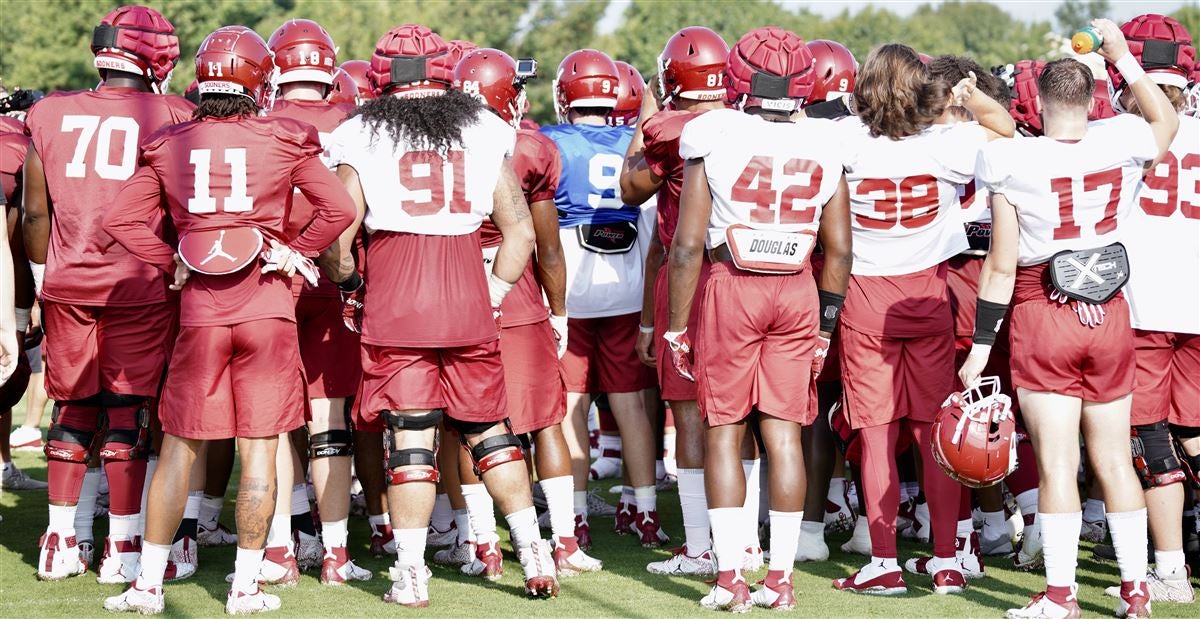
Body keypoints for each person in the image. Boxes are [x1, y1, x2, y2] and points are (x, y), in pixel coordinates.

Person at [101, 25, 355, 614]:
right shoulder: (283, 137)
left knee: (179, 450)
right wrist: (299, 248)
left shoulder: (172, 142)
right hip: (266, 304)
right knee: (260, 450)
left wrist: (173, 260)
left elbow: (122, 220)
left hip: (201, 311)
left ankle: (148, 585)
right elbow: (337, 208)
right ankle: (244, 587)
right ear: (260, 81)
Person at [326, 23, 558, 606]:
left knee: (411, 441)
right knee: (490, 432)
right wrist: (496, 293)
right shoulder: (484, 126)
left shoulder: (358, 132)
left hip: (397, 296)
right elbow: (520, 231)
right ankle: (534, 553)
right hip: (465, 294)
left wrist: (352, 283)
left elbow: (337, 235)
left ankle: (410, 575)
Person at [962, 18, 1179, 619]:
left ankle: (1061, 595)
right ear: (1093, 98)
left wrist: (981, 346)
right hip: (1110, 312)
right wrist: (1121, 57)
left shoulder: (1010, 158)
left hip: (1042, 308)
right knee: (1113, 459)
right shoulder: (1121, 139)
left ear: (1035, 103)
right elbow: (1167, 121)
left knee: (1059, 464)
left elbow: (1001, 267)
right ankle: (1137, 592)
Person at [668, 26, 852, 611]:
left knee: (723, 428)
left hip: (734, 285)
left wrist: (676, 325)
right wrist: (825, 325)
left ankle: (730, 577)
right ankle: (781, 579)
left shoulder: (713, 132)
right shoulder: (827, 141)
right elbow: (841, 250)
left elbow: (687, 244)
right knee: (784, 433)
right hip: (797, 287)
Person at [829, 42, 1014, 596]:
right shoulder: (946, 144)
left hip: (867, 296)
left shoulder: (844, 138)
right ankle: (947, 559)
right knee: (933, 431)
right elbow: (1003, 126)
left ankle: (883, 562)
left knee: (879, 434)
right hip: (930, 295)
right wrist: (968, 93)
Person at [22, 5, 193, 583]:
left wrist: (45, 277)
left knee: (72, 406)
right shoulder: (173, 112)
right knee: (127, 412)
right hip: (140, 283)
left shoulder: (47, 111)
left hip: (68, 280)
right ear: (153, 54)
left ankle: (61, 538)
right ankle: (122, 546)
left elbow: (35, 210)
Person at [540, 48, 663, 548]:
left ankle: (574, 520)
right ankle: (646, 511)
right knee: (631, 402)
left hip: (569, 283)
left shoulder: (547, 142)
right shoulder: (633, 141)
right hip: (627, 282)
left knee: (572, 403)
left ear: (566, 94)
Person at [620, 25, 729, 576]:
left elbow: (631, 187)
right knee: (741, 415)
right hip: (755, 275)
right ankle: (747, 544)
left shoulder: (667, 126)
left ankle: (701, 544)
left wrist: (646, 114)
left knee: (688, 412)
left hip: (691, 276)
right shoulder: (749, 122)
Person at [264, 16, 369, 583]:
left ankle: (280, 549)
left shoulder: (259, 121)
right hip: (336, 273)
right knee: (329, 421)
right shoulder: (356, 124)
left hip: (272, 276)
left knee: (275, 420)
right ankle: (334, 553)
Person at [1100, 13, 1197, 605]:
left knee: (1150, 440)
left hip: (1141, 307)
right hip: (1194, 302)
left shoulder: (1118, 134)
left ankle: (1171, 570)